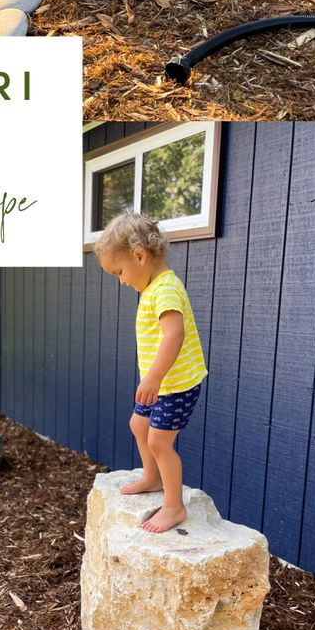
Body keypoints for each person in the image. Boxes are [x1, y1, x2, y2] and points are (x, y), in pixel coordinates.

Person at [95, 211, 208, 533]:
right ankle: (152, 476)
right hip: (160, 383)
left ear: (140, 256)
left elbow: (175, 335)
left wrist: (154, 377)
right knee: (138, 424)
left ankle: (174, 506)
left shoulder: (166, 289)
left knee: (160, 442)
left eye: (120, 272)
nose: (122, 280)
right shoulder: (153, 288)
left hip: (177, 384)